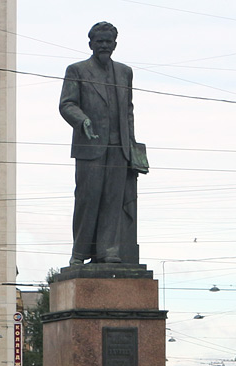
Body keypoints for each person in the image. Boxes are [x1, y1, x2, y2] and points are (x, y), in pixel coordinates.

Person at [60, 21, 144, 266]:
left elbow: (128, 111)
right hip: (90, 147)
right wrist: (82, 120)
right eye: (100, 41)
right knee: (88, 200)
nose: (104, 45)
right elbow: (67, 104)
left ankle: (109, 251)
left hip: (119, 148)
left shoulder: (125, 72)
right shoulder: (77, 70)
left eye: (108, 41)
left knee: (112, 202)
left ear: (115, 44)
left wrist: (132, 147)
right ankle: (79, 253)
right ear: (91, 44)